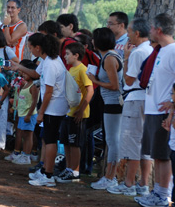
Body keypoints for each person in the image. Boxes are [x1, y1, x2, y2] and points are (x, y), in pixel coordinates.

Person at [107, 18, 153, 196]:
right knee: (144, 144)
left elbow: (128, 79)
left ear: (138, 34)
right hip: (146, 99)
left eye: (131, 32)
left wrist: (126, 58)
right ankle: (143, 183)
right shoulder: (150, 50)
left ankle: (128, 183)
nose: (128, 35)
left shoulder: (137, 52)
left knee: (131, 142)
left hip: (135, 97)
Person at [134, 13, 175, 207]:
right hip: (153, 107)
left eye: (151, 28)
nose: (149, 31)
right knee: (156, 154)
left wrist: (172, 103)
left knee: (163, 154)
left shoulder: (173, 50)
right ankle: (157, 191)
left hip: (161, 109)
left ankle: (163, 193)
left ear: (158, 30)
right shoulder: (162, 51)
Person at [24, 33, 69, 187]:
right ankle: (44, 170)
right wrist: (18, 67)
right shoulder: (48, 60)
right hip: (53, 106)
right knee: (47, 139)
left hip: (54, 107)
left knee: (50, 140)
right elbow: (36, 73)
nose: (30, 51)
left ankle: (48, 174)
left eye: (31, 48)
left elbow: (49, 91)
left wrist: (41, 112)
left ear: (38, 47)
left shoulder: (51, 64)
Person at [89, 28, 124, 191]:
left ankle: (111, 176)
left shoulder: (109, 58)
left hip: (113, 103)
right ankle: (109, 175)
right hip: (110, 102)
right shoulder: (109, 56)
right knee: (111, 139)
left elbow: (114, 85)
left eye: (94, 39)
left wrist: (95, 80)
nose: (92, 42)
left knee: (112, 140)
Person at [55, 42, 94, 183]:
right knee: (66, 141)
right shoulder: (71, 70)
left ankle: (75, 171)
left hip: (78, 115)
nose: (65, 57)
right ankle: (68, 168)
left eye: (67, 54)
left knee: (75, 143)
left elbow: (90, 90)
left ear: (76, 55)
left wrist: (81, 110)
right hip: (68, 112)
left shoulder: (82, 70)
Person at [10, 60, 39, 165]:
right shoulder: (26, 84)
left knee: (28, 136)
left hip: (28, 115)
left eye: (26, 73)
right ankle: (24, 153)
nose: (23, 74)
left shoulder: (33, 87)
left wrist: (29, 114)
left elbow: (34, 102)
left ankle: (27, 156)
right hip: (23, 114)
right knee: (24, 135)